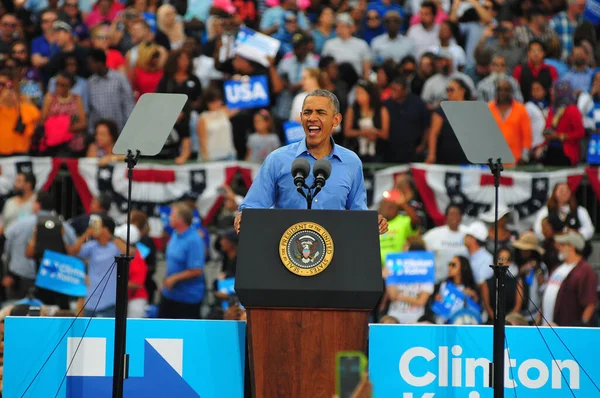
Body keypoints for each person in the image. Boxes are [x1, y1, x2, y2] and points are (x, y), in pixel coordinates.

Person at [235, 89, 388, 235]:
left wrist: (372, 222)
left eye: (320, 112)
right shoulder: (277, 159)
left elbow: (358, 213)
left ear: (336, 120)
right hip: (285, 253)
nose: (312, 118)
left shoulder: (351, 162)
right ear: (301, 118)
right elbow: (253, 206)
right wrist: (243, 216)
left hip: (336, 254)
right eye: (307, 112)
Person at [4, 192, 76, 302]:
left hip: (21, 277)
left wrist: (7, 272)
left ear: (37, 205)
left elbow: (7, 243)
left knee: (17, 314)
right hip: (54, 279)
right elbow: (74, 249)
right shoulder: (63, 226)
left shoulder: (21, 223)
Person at [68, 214, 127, 317]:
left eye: (97, 226)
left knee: (107, 331)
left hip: (109, 300)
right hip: (91, 299)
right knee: (89, 332)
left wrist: (112, 237)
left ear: (105, 228)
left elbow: (130, 252)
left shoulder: (115, 246)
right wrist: (86, 234)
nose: (93, 228)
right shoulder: (92, 246)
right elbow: (73, 251)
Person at [540, 231, 597, 326]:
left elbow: (590, 302)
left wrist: (582, 325)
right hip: (546, 326)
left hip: (567, 330)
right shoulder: (557, 268)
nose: (559, 248)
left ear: (572, 247)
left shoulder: (585, 270)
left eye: (563, 245)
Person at [159, 203, 205, 319]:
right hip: (170, 294)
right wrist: (166, 281)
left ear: (180, 219)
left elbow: (197, 270)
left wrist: (173, 279)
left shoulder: (194, 240)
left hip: (187, 299)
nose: (169, 218)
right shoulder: (175, 234)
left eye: (172, 215)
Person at [39, 71, 87, 156]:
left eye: (63, 85)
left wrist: (65, 130)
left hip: (72, 142)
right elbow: (43, 120)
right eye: (57, 84)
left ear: (70, 86)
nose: (59, 87)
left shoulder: (76, 98)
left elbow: (82, 122)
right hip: (53, 141)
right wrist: (58, 128)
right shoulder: (50, 97)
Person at [87, 48, 134, 133]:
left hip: (118, 130)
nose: (89, 67)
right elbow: (91, 109)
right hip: (99, 133)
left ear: (99, 63)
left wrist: (129, 129)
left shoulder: (119, 79)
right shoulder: (91, 82)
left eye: (91, 63)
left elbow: (128, 105)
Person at [422, 255, 480, 324]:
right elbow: (430, 307)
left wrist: (475, 298)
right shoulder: (442, 285)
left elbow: (477, 311)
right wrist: (434, 299)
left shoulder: (472, 288)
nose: (449, 267)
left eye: (453, 265)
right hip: (442, 325)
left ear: (463, 268)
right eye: (449, 264)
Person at [425, 78, 470, 164]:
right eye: (447, 90)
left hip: (467, 158)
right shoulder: (442, 109)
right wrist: (431, 154)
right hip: (446, 157)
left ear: (462, 91)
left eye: (451, 90)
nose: (449, 93)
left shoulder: (471, 109)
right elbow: (433, 133)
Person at [343, 80, 390, 162]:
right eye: (357, 93)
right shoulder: (352, 110)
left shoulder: (381, 110)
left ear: (370, 94)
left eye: (361, 93)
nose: (358, 96)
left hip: (378, 153)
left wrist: (374, 132)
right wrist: (363, 133)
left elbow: (385, 134)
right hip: (356, 152)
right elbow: (347, 132)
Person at [487, 78, 532, 164]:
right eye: (499, 90)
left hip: (515, 162)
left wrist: (524, 157)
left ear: (511, 92)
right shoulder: (488, 108)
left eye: (506, 90)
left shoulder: (521, 109)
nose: (502, 92)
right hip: (492, 162)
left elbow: (527, 137)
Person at [541, 80, 585, 166]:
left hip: (565, 151)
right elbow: (548, 127)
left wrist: (560, 136)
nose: (551, 92)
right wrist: (546, 133)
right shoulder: (552, 109)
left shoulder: (572, 110)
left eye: (554, 90)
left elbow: (580, 133)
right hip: (550, 149)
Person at [423, 204, 468, 282]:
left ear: (461, 217)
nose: (454, 217)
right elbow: (421, 253)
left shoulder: (468, 234)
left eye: (457, 214)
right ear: (446, 217)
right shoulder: (433, 234)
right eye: (451, 214)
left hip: (461, 283)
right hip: (438, 281)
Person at [0, 70, 41, 156]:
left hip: (20, 155)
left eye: (5, 85)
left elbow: (35, 122)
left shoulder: (24, 102)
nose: (2, 88)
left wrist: (17, 104)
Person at [321, 13, 372, 80]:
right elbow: (323, 66)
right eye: (337, 26)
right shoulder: (329, 44)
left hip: (356, 81)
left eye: (343, 26)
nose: (340, 29)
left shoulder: (362, 44)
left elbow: (366, 69)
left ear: (351, 28)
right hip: (336, 81)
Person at [511, 231, 548, 321]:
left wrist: (538, 273)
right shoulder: (514, 266)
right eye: (522, 249)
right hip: (517, 314)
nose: (524, 252)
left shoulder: (541, 267)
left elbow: (544, 291)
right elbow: (510, 284)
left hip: (535, 315)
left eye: (527, 250)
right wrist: (520, 272)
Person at [378, 189, 420, 267]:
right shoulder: (375, 221)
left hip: (398, 265)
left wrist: (403, 204)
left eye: (390, 207)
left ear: (397, 209)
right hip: (376, 266)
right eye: (384, 205)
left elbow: (415, 221)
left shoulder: (403, 221)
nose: (386, 209)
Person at [197, 88, 236, 161]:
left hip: (229, 154)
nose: (217, 103)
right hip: (212, 157)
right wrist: (206, 158)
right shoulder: (203, 117)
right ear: (207, 103)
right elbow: (202, 140)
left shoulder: (224, 111)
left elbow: (241, 103)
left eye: (218, 100)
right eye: (213, 101)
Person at [463, 221, 494, 289]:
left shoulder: (487, 259)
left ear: (473, 239)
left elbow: (482, 284)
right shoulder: (465, 253)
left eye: (467, 235)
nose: (464, 237)